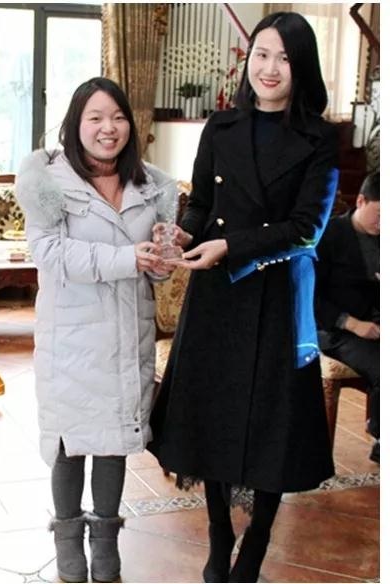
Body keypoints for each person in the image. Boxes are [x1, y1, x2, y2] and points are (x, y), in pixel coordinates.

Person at [147, 12, 339, 583]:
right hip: (217, 300)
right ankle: (219, 536)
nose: (269, 68)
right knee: (211, 419)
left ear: (301, 67)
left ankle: (255, 543)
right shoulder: (222, 126)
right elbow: (203, 205)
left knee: (273, 428)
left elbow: (307, 229)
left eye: (283, 57)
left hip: (278, 299)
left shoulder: (319, 139)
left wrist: (230, 246)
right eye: (261, 54)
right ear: (248, 60)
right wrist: (183, 233)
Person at [15, 77, 177, 583]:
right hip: (71, 338)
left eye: (118, 117)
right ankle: (67, 540)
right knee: (68, 441)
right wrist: (128, 258)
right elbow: (49, 252)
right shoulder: (48, 182)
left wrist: (163, 256)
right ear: (75, 124)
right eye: (96, 118)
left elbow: (157, 268)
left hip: (128, 336)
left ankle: (106, 542)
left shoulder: (152, 185)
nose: (109, 128)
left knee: (114, 441)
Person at [315, 172, 379, 462]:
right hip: (336, 329)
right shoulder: (329, 235)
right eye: (380, 214)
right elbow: (309, 297)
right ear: (361, 201)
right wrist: (352, 324)